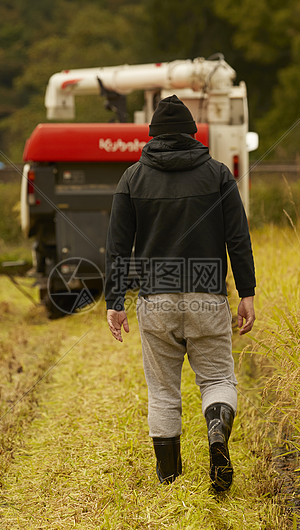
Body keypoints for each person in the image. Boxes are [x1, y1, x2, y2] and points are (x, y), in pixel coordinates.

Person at [105, 95, 256, 492]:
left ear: (152, 136)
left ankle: (170, 481)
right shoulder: (219, 174)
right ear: (193, 135)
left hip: (156, 297)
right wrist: (247, 291)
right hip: (208, 291)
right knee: (218, 378)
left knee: (163, 390)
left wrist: (114, 301)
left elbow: (118, 246)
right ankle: (217, 428)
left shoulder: (133, 178)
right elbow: (237, 237)